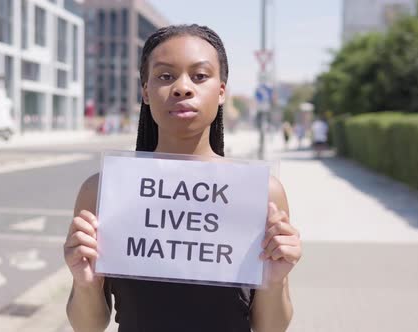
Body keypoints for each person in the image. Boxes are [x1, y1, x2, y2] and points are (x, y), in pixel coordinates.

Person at [64, 24, 302, 332]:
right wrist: (85, 284)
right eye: (165, 76)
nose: (182, 88)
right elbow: (89, 327)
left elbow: (271, 328)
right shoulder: (102, 190)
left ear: (221, 91)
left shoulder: (263, 193)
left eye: (200, 76)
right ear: (146, 92)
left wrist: (274, 279)